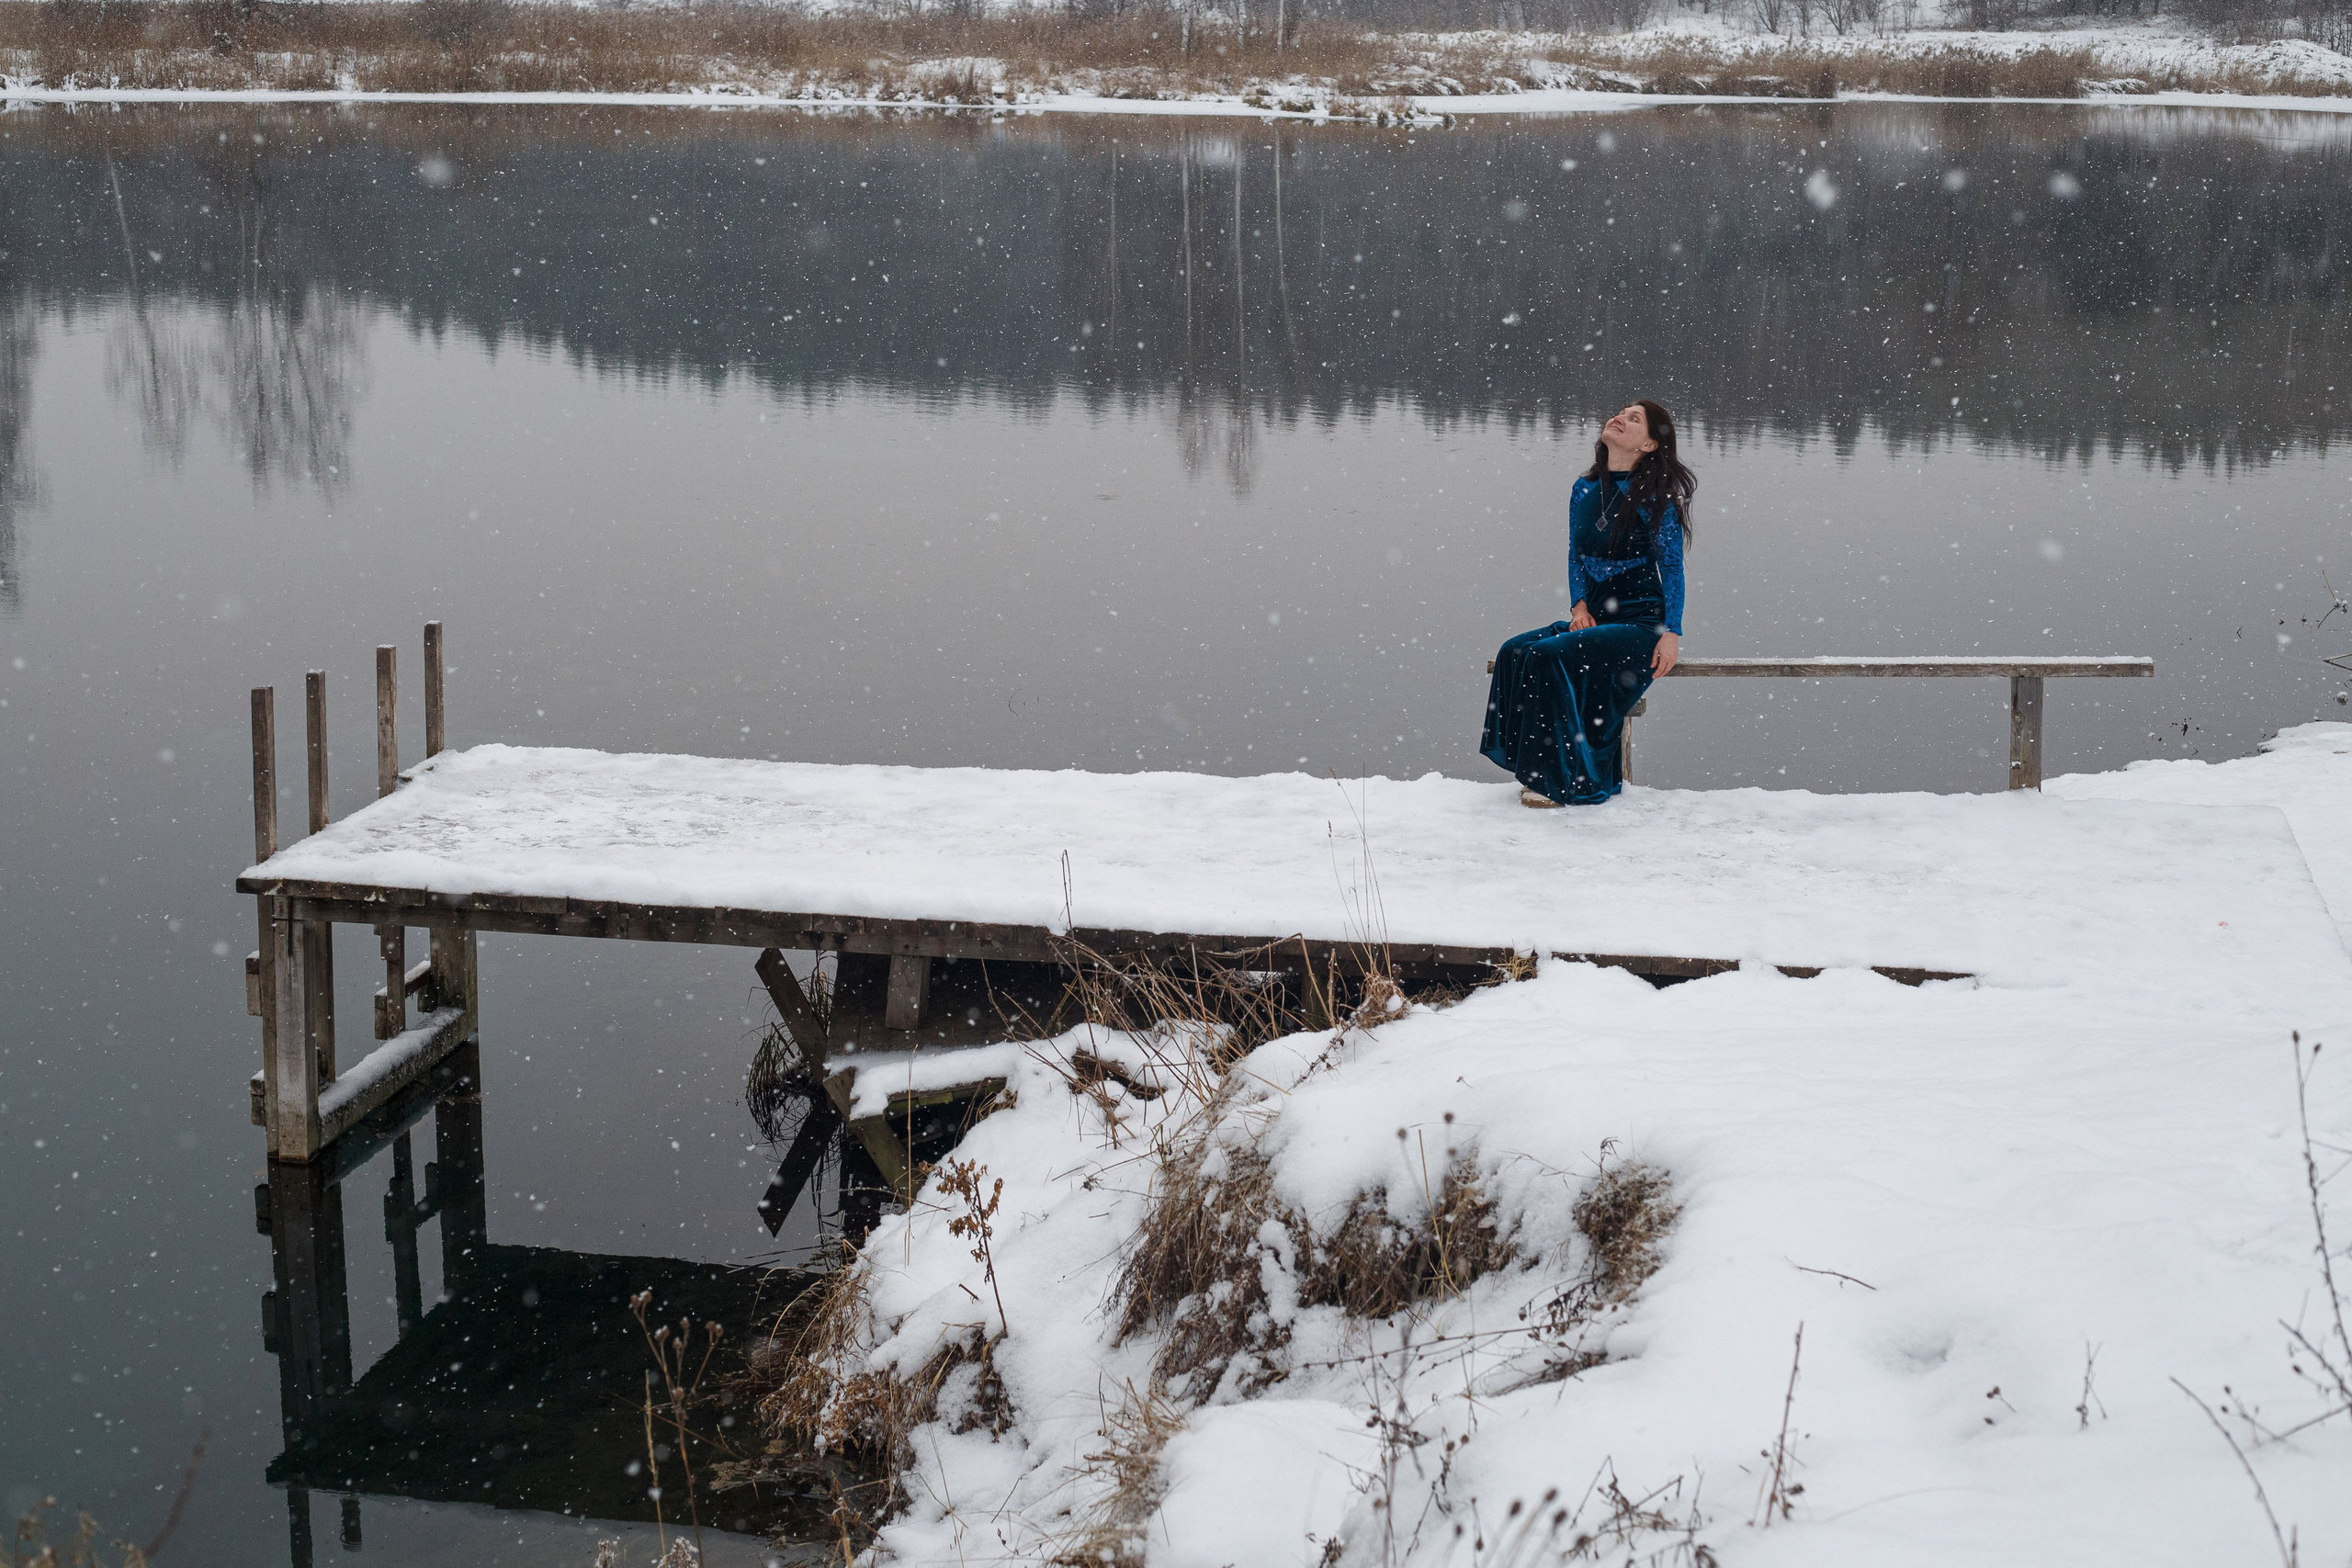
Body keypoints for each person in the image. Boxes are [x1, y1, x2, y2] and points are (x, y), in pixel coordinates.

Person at [1481, 398, 1694, 807]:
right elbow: (1575, 555)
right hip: (1595, 616)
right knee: (1515, 651)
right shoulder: (1584, 488)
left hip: (1639, 623)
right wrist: (1579, 607)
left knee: (1547, 656)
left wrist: (1672, 632)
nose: (1620, 418)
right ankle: (1532, 764)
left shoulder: (1657, 497)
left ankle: (1555, 782)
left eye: (1635, 419)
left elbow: (1672, 569)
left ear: (1649, 445)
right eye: (1622, 412)